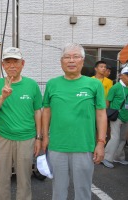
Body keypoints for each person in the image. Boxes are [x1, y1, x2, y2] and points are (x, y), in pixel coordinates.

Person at [42, 43, 107, 200]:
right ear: (61, 61)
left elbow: (101, 114)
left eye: (76, 56)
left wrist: (101, 142)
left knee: (83, 190)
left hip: (84, 145)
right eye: (67, 57)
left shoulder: (94, 84)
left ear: (83, 61)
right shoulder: (52, 83)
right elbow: (46, 110)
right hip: (57, 146)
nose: (71, 60)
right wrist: (44, 136)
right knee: (58, 190)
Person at [0, 47, 42, 200]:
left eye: (15, 62)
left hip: (27, 138)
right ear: (3, 65)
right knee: (2, 179)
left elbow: (38, 111)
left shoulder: (32, 85)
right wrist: (2, 97)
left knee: (24, 179)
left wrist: (39, 137)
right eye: (8, 62)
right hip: (3, 137)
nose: (12, 65)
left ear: (22, 63)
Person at [101, 66, 128, 168]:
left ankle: (118, 157)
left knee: (122, 138)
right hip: (116, 116)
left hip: (126, 116)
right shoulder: (116, 87)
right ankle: (106, 158)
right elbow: (108, 101)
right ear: (121, 76)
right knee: (115, 138)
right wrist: (106, 115)